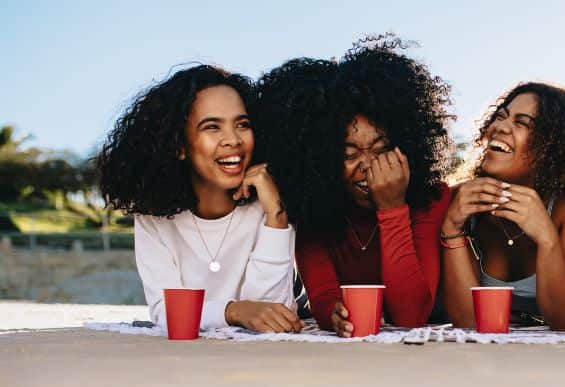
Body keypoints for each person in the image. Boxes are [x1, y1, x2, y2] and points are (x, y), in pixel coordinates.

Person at [257, 36, 454, 336]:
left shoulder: (433, 198)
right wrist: (333, 313)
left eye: (381, 148)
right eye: (348, 154)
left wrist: (392, 208)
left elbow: (410, 316)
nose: (367, 164)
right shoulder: (313, 209)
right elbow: (323, 297)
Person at [98, 65, 300, 333]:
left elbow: (272, 316)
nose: (233, 139)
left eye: (242, 124)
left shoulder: (270, 202)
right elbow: (166, 311)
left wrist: (277, 216)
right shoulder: (153, 217)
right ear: (180, 145)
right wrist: (234, 311)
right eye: (212, 127)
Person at [441, 82, 565, 331]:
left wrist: (547, 238)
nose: (500, 127)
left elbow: (564, 319)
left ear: (552, 148)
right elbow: (468, 321)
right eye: (501, 116)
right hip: (514, 320)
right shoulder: (461, 202)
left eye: (521, 123)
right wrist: (452, 226)